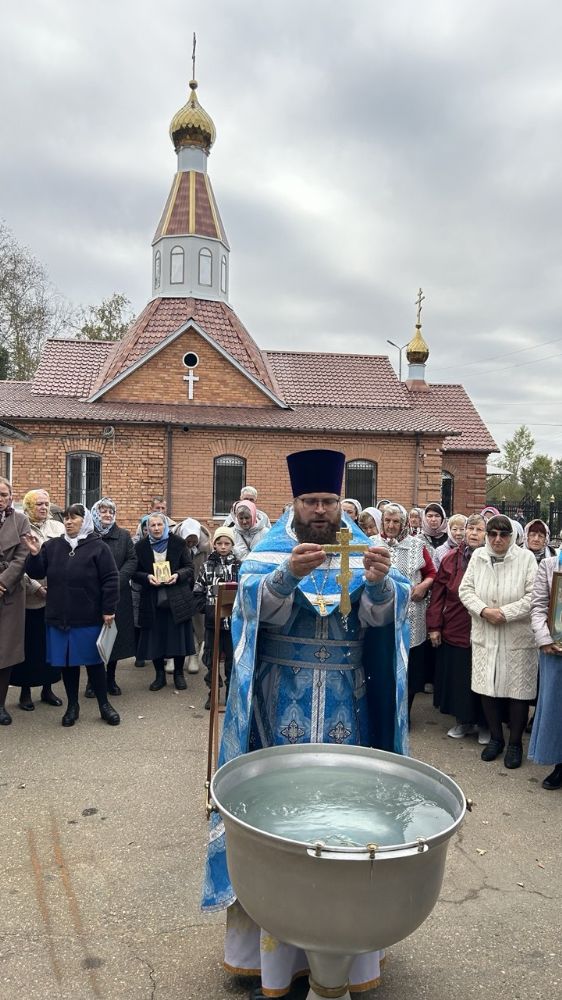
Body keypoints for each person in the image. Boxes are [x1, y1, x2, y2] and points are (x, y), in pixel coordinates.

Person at [201, 449, 411, 999]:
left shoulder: (363, 551)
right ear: (294, 502)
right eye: (311, 501)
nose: (320, 510)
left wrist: (382, 587)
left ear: (341, 502)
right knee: (277, 823)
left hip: (346, 703)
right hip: (278, 703)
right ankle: (272, 962)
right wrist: (285, 578)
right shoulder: (269, 552)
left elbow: (383, 622)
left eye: (328, 501)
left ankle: (344, 953)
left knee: (348, 817)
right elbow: (248, 613)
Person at [23, 504, 121, 727]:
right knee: (68, 664)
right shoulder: (52, 546)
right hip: (59, 617)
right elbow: (36, 572)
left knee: (94, 663)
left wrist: (108, 609)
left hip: (88, 617)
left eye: (73, 518)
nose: (68, 521)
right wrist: (35, 554)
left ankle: (104, 705)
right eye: (65, 518)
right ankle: (72, 706)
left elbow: (110, 579)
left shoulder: (98, 547)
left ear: (85, 521)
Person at [459, 514, 538, 769]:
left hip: (517, 635)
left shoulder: (526, 558)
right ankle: (496, 739)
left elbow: (534, 596)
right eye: (492, 534)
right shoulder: (478, 556)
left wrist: (504, 613)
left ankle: (515, 744)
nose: (497, 539)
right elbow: (465, 590)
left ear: (512, 536)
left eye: (503, 534)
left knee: (518, 692)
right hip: (486, 633)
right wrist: (484, 611)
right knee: (487, 687)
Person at [427, 514, 488, 742]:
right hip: (455, 627)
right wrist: (434, 626)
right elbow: (438, 595)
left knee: (483, 678)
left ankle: (485, 724)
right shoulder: (451, 559)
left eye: (479, 529)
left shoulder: (492, 558)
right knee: (459, 678)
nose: (473, 533)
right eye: (470, 528)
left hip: (484, 629)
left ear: (485, 534)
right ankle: (463, 722)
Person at [378, 502, 436, 720]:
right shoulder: (372, 543)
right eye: (387, 520)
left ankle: (405, 714)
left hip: (412, 614)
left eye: (396, 521)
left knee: (409, 667)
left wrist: (423, 586)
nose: (391, 525)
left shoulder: (417, 545)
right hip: (381, 615)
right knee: (385, 664)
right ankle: (385, 712)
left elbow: (432, 572)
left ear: (403, 523)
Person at [10, 489, 64, 712]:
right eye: (39, 504)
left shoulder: (58, 528)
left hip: (54, 598)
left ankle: (47, 689)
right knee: (29, 646)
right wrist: (36, 587)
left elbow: (63, 559)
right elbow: (17, 564)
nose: (44, 507)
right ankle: (25, 692)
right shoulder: (20, 527)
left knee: (49, 646)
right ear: (29, 506)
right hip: (28, 598)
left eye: (46, 503)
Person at [133, 513, 195, 692]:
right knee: (155, 639)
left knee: (178, 638)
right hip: (152, 599)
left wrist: (177, 575)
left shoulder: (178, 543)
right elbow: (134, 572)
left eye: (159, 524)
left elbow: (189, 567)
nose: (156, 528)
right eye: (152, 525)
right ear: (147, 528)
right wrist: (147, 577)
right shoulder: (140, 547)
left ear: (165, 526)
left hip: (176, 598)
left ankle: (178, 674)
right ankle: (159, 675)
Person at [84, 499, 137, 697]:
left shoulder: (123, 535)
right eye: (103, 511)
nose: (107, 515)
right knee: (93, 639)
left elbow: (132, 560)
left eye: (111, 512)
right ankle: (92, 682)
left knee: (113, 639)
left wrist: (116, 581)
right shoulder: (87, 535)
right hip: (92, 596)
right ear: (95, 513)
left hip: (118, 596)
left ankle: (110, 679)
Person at [193, 526, 240, 710]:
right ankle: (213, 691)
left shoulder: (239, 566)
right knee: (211, 659)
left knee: (231, 660)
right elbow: (198, 591)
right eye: (219, 543)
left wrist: (236, 609)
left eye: (227, 543)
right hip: (213, 623)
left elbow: (244, 592)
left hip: (232, 623)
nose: (223, 546)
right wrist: (208, 609)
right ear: (214, 544)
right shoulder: (207, 566)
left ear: (232, 545)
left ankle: (230, 693)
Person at [528, 552, 562, 789]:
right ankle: (560, 763)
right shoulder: (550, 565)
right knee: (556, 710)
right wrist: (545, 639)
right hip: (555, 649)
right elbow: (539, 606)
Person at [0, 478, 32, 726]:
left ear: (11, 497)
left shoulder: (20, 520)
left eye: (3, 494)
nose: (0, 499)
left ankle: (0, 705)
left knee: (5, 652)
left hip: (9, 593)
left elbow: (22, 556)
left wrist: (3, 582)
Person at [174, 517, 212, 673]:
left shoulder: (206, 547)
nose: (190, 544)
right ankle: (174, 655)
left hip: (198, 588)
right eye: (187, 541)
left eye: (193, 541)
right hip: (178, 586)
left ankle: (194, 654)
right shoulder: (174, 542)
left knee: (198, 623)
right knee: (178, 621)